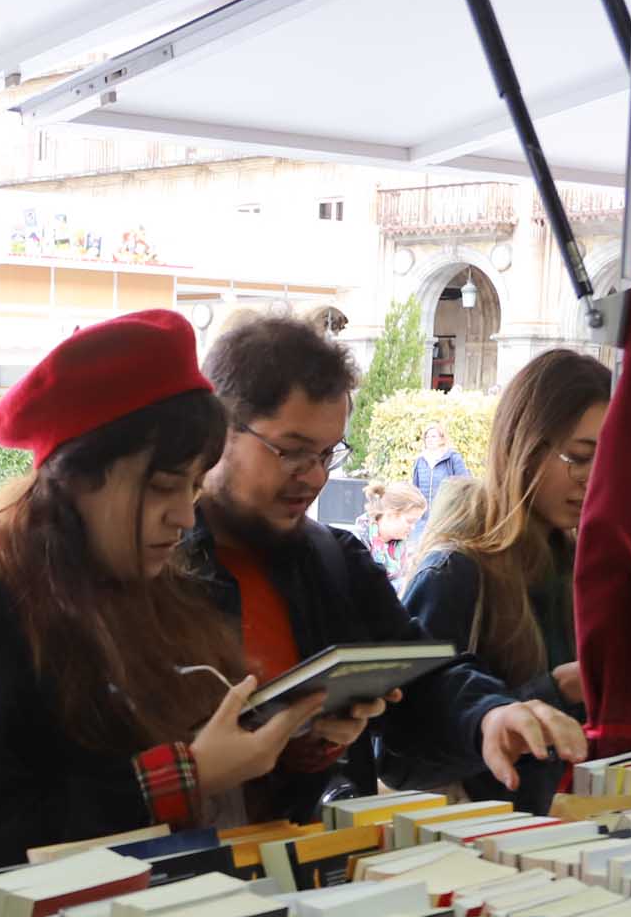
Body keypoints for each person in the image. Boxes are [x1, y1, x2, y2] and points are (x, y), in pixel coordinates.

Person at [0, 310, 342, 915]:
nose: (184, 516)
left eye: (192, 487)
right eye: (161, 487)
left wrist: (292, 747)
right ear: (75, 477)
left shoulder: (167, 591)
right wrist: (187, 775)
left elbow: (224, 809)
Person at [184, 310, 580, 801]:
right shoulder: (148, 572)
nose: (314, 477)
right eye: (291, 450)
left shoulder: (334, 561)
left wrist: (490, 716)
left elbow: (423, 677)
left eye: (328, 454)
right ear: (217, 429)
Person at [400, 347, 611, 745]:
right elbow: (406, 746)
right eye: (579, 457)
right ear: (522, 445)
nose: (594, 478)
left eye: (608, 460)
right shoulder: (454, 571)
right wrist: (556, 690)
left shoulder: (580, 565)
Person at [411, 422, 467, 509]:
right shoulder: (420, 460)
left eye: (433, 436)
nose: (429, 439)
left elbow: (465, 484)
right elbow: (415, 489)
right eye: (427, 437)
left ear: (442, 439)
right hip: (423, 517)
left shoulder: (453, 458)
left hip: (446, 513)